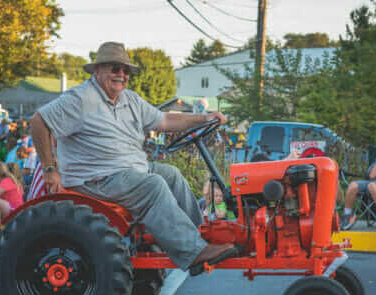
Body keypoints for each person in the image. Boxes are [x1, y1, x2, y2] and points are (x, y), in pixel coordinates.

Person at [30, 41, 233, 273]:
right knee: (153, 185)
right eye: (114, 68)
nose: (121, 74)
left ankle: (200, 238)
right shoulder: (80, 98)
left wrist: (205, 118)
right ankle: (193, 252)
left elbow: (165, 121)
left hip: (128, 173)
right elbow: (39, 121)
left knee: (172, 174)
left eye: (125, 70)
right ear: (97, 70)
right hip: (95, 179)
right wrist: (49, 168)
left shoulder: (130, 100)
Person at [341, 146, 376, 230]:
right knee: (353, 185)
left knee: (372, 185)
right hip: (372, 182)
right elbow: (372, 175)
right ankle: (347, 216)